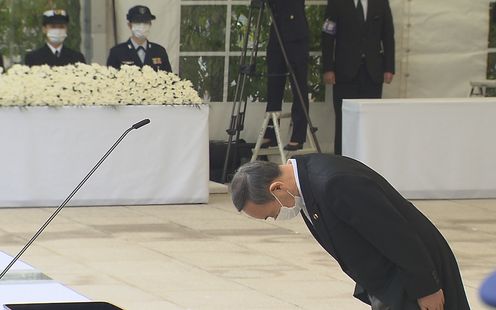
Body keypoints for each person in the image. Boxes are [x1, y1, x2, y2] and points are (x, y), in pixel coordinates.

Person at [230, 153, 470, 310]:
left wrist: (427, 288)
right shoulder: (304, 187)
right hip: (390, 282)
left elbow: (397, 235)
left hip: (415, 275)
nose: (277, 217)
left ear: (277, 188)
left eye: (271, 213)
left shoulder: (333, 182)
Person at [321, 0, 395, 155]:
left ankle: (370, 159)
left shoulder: (381, 3)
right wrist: (328, 68)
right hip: (344, 73)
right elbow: (327, 36)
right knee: (343, 121)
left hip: (372, 73)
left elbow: (388, 35)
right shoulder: (336, 3)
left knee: (371, 120)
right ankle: (342, 161)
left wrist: (389, 67)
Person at [261, 0, 310, 151]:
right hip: (277, 27)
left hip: (295, 29)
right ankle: (271, 131)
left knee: (298, 84)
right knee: (274, 81)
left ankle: (298, 134)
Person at [107, 5, 172, 72]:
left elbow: (169, 77)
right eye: (137, 22)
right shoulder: (117, 52)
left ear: (150, 24)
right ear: (129, 25)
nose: (142, 26)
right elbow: (111, 79)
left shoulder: (159, 51)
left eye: (146, 22)